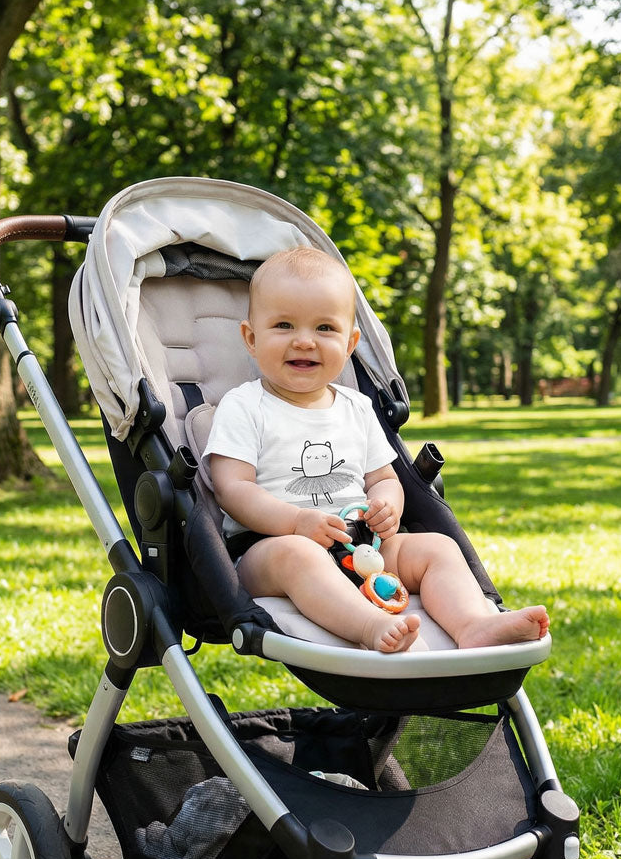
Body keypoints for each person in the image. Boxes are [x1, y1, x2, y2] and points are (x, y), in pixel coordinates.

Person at [204, 247, 550, 654]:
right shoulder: (244, 405)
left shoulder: (357, 407)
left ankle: (472, 624)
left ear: (350, 342)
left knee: (437, 548)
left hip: (363, 545)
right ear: (251, 338)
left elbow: (384, 477)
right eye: (283, 325)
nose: (304, 341)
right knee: (297, 555)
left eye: (325, 328)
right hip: (269, 546)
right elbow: (232, 488)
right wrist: (295, 522)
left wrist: (387, 505)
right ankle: (371, 626)